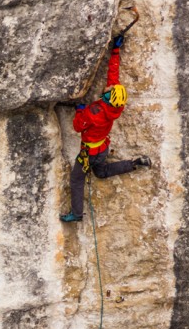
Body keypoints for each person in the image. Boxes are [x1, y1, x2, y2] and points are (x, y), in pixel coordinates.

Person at [60, 34, 151, 223]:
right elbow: (113, 75)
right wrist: (115, 50)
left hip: (90, 152)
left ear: (109, 97)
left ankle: (76, 214)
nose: (108, 88)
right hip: (102, 149)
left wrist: (80, 111)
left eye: (109, 91)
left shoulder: (94, 112)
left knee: (77, 180)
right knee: (100, 172)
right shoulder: (116, 106)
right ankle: (135, 163)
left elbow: (78, 127)